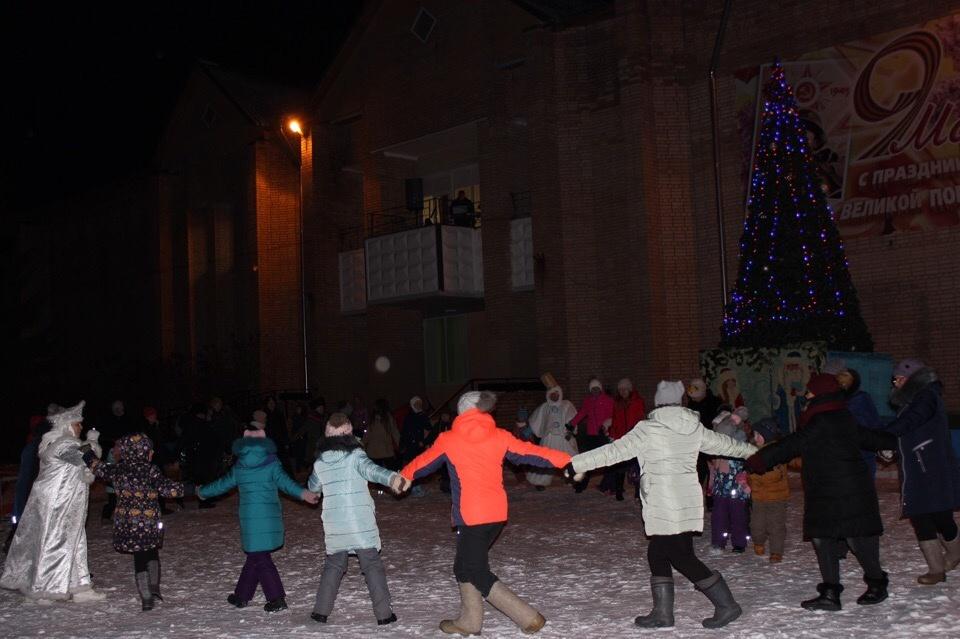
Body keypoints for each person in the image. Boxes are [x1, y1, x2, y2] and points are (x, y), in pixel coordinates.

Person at [566, 381, 756, 629]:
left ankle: (726, 605)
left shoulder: (648, 429)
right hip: (686, 500)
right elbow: (727, 445)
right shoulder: (693, 428)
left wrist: (578, 463)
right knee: (658, 552)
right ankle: (663, 614)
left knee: (681, 557)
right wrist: (756, 453)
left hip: (663, 501)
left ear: (658, 402)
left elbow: (613, 452)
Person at [401, 391, 571, 635]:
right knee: (463, 566)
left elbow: (423, 462)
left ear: (461, 413)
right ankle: (470, 621)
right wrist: (566, 460)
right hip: (496, 515)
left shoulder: (449, 439)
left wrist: (403, 476)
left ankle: (528, 617)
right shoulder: (499, 436)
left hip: (471, 516)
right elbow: (533, 453)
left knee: (475, 571)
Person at [745, 373, 896, 611]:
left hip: (848, 491)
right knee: (823, 539)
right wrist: (889, 441)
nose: (806, 395)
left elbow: (793, 444)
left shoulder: (824, 420)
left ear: (820, 394)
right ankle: (830, 593)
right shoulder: (836, 415)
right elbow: (868, 437)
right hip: (828, 491)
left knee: (857, 540)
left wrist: (759, 460)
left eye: (809, 392)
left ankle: (877, 583)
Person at [197, 417, 319, 612]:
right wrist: (304, 493)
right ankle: (241, 595)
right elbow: (286, 484)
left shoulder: (239, 467)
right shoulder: (272, 463)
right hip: (269, 517)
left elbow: (221, 484)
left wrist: (202, 492)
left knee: (259, 557)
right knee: (256, 555)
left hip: (251, 520)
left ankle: (276, 598)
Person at [1, 401, 107, 602]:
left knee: (75, 541)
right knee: (54, 543)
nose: (81, 427)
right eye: (77, 424)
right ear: (66, 426)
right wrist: (93, 441)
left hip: (67, 503)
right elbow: (86, 458)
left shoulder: (59, 442)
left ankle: (80, 587)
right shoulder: (63, 444)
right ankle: (44, 589)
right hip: (59, 504)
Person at [308, 413, 408, 626]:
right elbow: (373, 471)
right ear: (349, 434)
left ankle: (320, 611)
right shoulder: (355, 456)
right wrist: (393, 478)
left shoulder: (320, 462)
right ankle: (384, 614)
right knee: (371, 565)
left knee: (334, 565)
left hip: (334, 523)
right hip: (359, 523)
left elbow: (313, 488)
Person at [82, 433, 188, 610]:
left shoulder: (119, 470)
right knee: (151, 551)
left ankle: (146, 596)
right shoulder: (151, 470)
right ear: (143, 453)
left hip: (128, 524)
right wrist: (190, 487)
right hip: (149, 522)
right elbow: (168, 489)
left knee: (139, 558)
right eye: (150, 451)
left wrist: (86, 451)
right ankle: (153, 586)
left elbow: (97, 467)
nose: (152, 453)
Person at [880, 358, 960, 584]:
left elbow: (912, 422)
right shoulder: (910, 402)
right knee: (920, 516)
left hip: (933, 467)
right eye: (895, 379)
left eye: (900, 378)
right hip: (915, 469)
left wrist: (884, 436)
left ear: (914, 379)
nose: (895, 383)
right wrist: (891, 448)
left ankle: (955, 553)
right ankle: (936, 569)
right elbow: (908, 432)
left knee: (941, 516)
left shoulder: (926, 397)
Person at [5, 414, 52, 553]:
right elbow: (28, 477)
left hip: (29, 497)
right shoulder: (38, 449)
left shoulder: (33, 447)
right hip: (33, 497)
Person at [747, 418, 789, 563]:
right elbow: (747, 472)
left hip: (778, 498)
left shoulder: (778, 451)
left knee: (776, 525)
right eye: (755, 434)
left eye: (759, 434)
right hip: (758, 498)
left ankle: (776, 552)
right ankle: (758, 541)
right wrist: (746, 481)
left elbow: (794, 459)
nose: (755, 437)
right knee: (756, 525)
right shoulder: (752, 452)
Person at [708, 411, 751, 553]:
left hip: (737, 487)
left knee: (738, 514)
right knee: (719, 515)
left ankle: (739, 542)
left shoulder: (740, 443)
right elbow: (714, 468)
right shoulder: (718, 448)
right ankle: (718, 542)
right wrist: (711, 483)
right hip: (721, 487)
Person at [599, 378, 646, 500]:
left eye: (625, 389)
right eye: (620, 390)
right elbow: (615, 420)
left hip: (634, 437)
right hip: (620, 438)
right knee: (620, 466)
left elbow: (640, 418)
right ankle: (619, 491)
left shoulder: (637, 402)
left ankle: (637, 492)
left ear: (629, 389)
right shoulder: (617, 403)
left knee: (636, 466)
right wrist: (613, 434)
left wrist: (638, 433)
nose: (622, 392)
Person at [835, 367, 883, 479]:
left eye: (845, 382)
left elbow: (874, 420)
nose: (843, 385)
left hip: (863, 443)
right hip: (848, 445)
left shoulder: (861, 398)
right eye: (840, 382)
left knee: (864, 475)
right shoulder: (839, 399)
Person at [526, 385, 577, 490]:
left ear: (560, 394)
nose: (554, 396)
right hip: (549, 438)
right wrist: (527, 431)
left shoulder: (566, 405)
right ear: (548, 395)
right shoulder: (544, 407)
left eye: (556, 393)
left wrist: (570, 432)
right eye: (552, 394)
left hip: (563, 438)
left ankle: (573, 479)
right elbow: (536, 420)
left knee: (569, 459)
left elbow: (573, 418)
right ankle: (540, 481)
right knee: (545, 460)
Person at [569, 377, 614, 492]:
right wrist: (572, 423)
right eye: (592, 389)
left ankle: (607, 484)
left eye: (597, 388)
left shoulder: (608, 400)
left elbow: (613, 415)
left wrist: (607, 426)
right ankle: (581, 485)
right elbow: (582, 413)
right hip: (591, 435)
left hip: (603, 434)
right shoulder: (588, 401)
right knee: (587, 461)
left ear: (600, 389)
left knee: (608, 461)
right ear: (590, 390)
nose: (595, 390)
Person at [362, 399, 401, 471]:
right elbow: (395, 433)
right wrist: (400, 445)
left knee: (377, 476)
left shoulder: (373, 419)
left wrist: (362, 445)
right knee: (390, 475)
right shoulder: (388, 419)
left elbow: (367, 435)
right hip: (386, 451)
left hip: (374, 452)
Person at [400, 396, 430, 466]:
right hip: (411, 446)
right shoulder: (408, 417)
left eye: (420, 403)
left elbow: (428, 429)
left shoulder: (423, 416)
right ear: (412, 405)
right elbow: (405, 432)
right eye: (416, 403)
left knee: (421, 465)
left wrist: (424, 442)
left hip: (421, 445)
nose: (419, 405)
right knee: (410, 465)